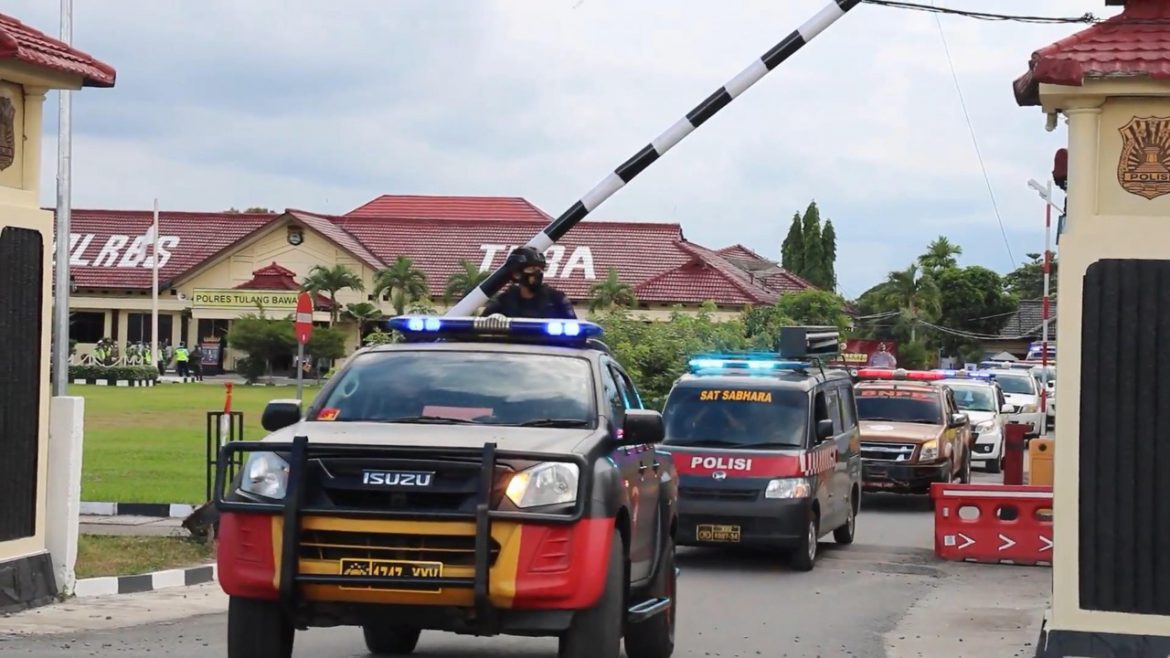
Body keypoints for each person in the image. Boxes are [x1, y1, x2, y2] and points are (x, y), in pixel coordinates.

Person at [481, 246, 577, 319]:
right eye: (532, 269)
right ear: (517, 274)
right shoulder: (503, 302)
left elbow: (576, 331)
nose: (538, 273)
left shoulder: (556, 300)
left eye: (540, 269)